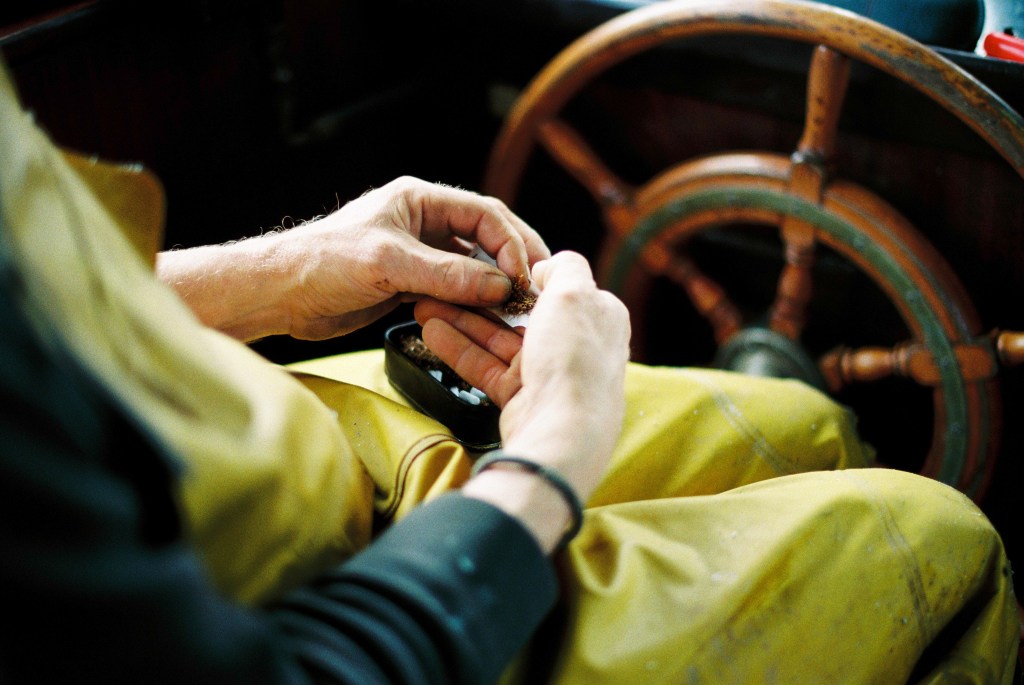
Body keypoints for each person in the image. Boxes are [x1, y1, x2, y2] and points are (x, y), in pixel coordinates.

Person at [0, 58, 1018, 685]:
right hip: (346, 618)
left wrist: (277, 275)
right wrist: (552, 453)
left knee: (809, 424)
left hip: (294, 443)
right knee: (952, 548)